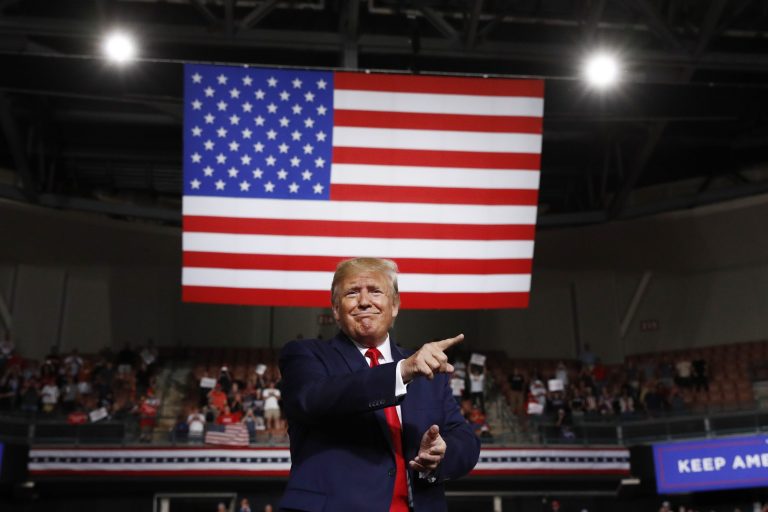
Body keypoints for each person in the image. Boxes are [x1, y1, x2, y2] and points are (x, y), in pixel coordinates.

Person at [278, 257, 480, 511]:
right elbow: (312, 399)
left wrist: (442, 453)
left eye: (375, 291)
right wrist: (402, 372)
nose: (364, 301)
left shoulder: (427, 371)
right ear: (335, 309)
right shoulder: (305, 355)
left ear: (394, 305)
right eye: (352, 292)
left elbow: (466, 441)